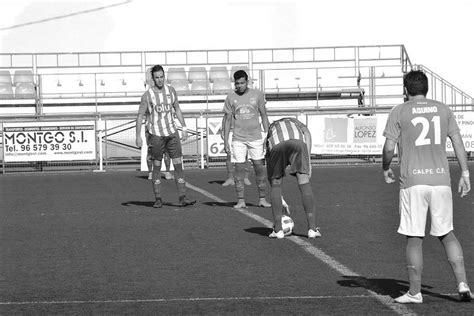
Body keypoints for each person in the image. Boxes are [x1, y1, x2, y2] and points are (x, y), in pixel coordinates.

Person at [382, 70, 472, 303]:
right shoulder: (443, 109)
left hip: (413, 182)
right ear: (426, 88)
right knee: (447, 234)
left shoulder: (399, 111)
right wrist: (464, 172)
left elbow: (389, 147)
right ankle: (462, 283)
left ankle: (414, 292)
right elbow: (458, 142)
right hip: (441, 181)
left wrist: (385, 167)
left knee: (414, 237)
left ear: (405, 89)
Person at [136, 64, 196, 208]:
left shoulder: (171, 91)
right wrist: (138, 136)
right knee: (157, 166)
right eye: (157, 77)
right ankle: (158, 198)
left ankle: (183, 198)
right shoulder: (147, 96)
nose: (160, 80)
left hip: (172, 133)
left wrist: (184, 127)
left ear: (164, 76)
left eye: (162, 77)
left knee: (178, 165)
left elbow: (177, 109)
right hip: (156, 134)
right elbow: (139, 116)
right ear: (152, 79)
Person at [265, 117, 321, 239]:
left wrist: (279, 197)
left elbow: (270, 170)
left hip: (277, 145)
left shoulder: (271, 129)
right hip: (298, 143)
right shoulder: (295, 122)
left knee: (276, 184)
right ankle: (312, 229)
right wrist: (309, 162)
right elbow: (307, 133)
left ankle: (278, 230)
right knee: (304, 182)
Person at [223, 70, 271, 208]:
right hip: (238, 138)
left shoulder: (257, 95)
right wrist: (226, 140)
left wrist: (267, 134)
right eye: (237, 83)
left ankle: (262, 199)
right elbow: (227, 120)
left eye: (242, 83)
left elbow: (264, 115)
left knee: (259, 167)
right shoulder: (231, 98)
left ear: (247, 82)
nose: (240, 86)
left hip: (255, 137)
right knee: (239, 168)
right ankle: (241, 200)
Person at [220, 115, 251, 187]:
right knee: (229, 155)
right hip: (230, 132)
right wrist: (223, 131)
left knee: (245, 155)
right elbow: (225, 117)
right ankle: (231, 178)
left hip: (243, 132)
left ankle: (245, 177)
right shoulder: (229, 106)